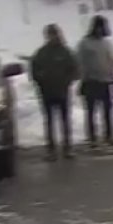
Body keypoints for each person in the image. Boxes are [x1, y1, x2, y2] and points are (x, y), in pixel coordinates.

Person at [28, 23, 80, 161]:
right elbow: (34, 71)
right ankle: (51, 150)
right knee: (49, 121)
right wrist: (41, 80)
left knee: (65, 120)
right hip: (47, 92)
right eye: (49, 34)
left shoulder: (65, 52)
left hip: (62, 91)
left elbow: (74, 69)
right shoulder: (41, 53)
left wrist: (67, 81)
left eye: (54, 34)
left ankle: (67, 147)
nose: (52, 37)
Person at [76, 14, 113, 149]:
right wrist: (82, 78)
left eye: (102, 27)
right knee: (91, 111)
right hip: (91, 81)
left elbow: (111, 62)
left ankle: (109, 135)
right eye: (98, 27)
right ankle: (92, 137)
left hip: (106, 81)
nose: (100, 30)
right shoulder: (85, 43)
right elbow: (80, 62)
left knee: (108, 110)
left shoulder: (107, 44)